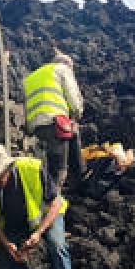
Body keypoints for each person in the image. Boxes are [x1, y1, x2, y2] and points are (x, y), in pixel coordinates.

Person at [22, 50, 84, 187]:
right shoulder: (62, 69)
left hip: (36, 127)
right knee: (59, 170)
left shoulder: (29, 78)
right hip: (55, 123)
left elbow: (25, 106)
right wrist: (77, 114)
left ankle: (74, 177)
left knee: (47, 165)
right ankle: (58, 196)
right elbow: (73, 96)